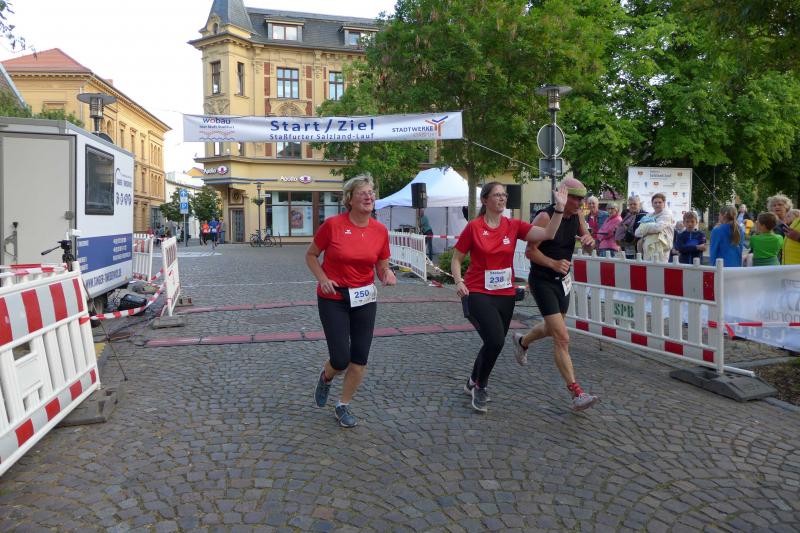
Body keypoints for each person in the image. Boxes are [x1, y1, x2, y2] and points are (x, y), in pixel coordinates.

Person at [451, 181, 569, 413]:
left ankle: (472, 380)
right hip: (478, 292)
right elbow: (457, 258)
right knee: (496, 340)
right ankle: (480, 386)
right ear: (485, 200)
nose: (502, 198)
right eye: (497, 195)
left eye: (504, 195)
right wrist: (458, 281)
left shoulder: (513, 225)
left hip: (505, 294)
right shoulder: (474, 227)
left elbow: (548, 233)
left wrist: (559, 209)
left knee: (492, 342)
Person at [308, 175, 397, 428]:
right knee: (340, 358)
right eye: (362, 193)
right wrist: (323, 278)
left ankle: (343, 405)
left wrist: (387, 274)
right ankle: (326, 377)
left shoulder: (379, 230)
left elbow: (381, 264)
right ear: (349, 199)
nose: (369, 196)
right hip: (334, 297)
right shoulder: (333, 225)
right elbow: (311, 255)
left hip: (364, 298)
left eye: (371, 192)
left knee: (359, 358)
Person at [512, 177, 599, 412]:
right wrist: (552, 263)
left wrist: (589, 242)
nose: (579, 203)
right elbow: (530, 251)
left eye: (581, 199)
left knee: (553, 328)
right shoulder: (545, 217)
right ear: (563, 195)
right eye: (575, 198)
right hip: (542, 281)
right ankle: (576, 393)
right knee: (562, 337)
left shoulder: (578, 216)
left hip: (563, 282)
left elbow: (588, 244)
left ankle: (522, 341)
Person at [634, 193, 674, 262]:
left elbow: (657, 228)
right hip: (647, 248)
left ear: (664, 203)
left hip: (662, 249)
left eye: (660, 202)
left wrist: (645, 227)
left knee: (660, 268)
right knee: (648, 268)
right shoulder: (648, 216)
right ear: (652, 204)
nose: (657, 204)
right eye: (655, 202)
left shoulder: (667, 215)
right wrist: (652, 227)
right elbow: (637, 232)